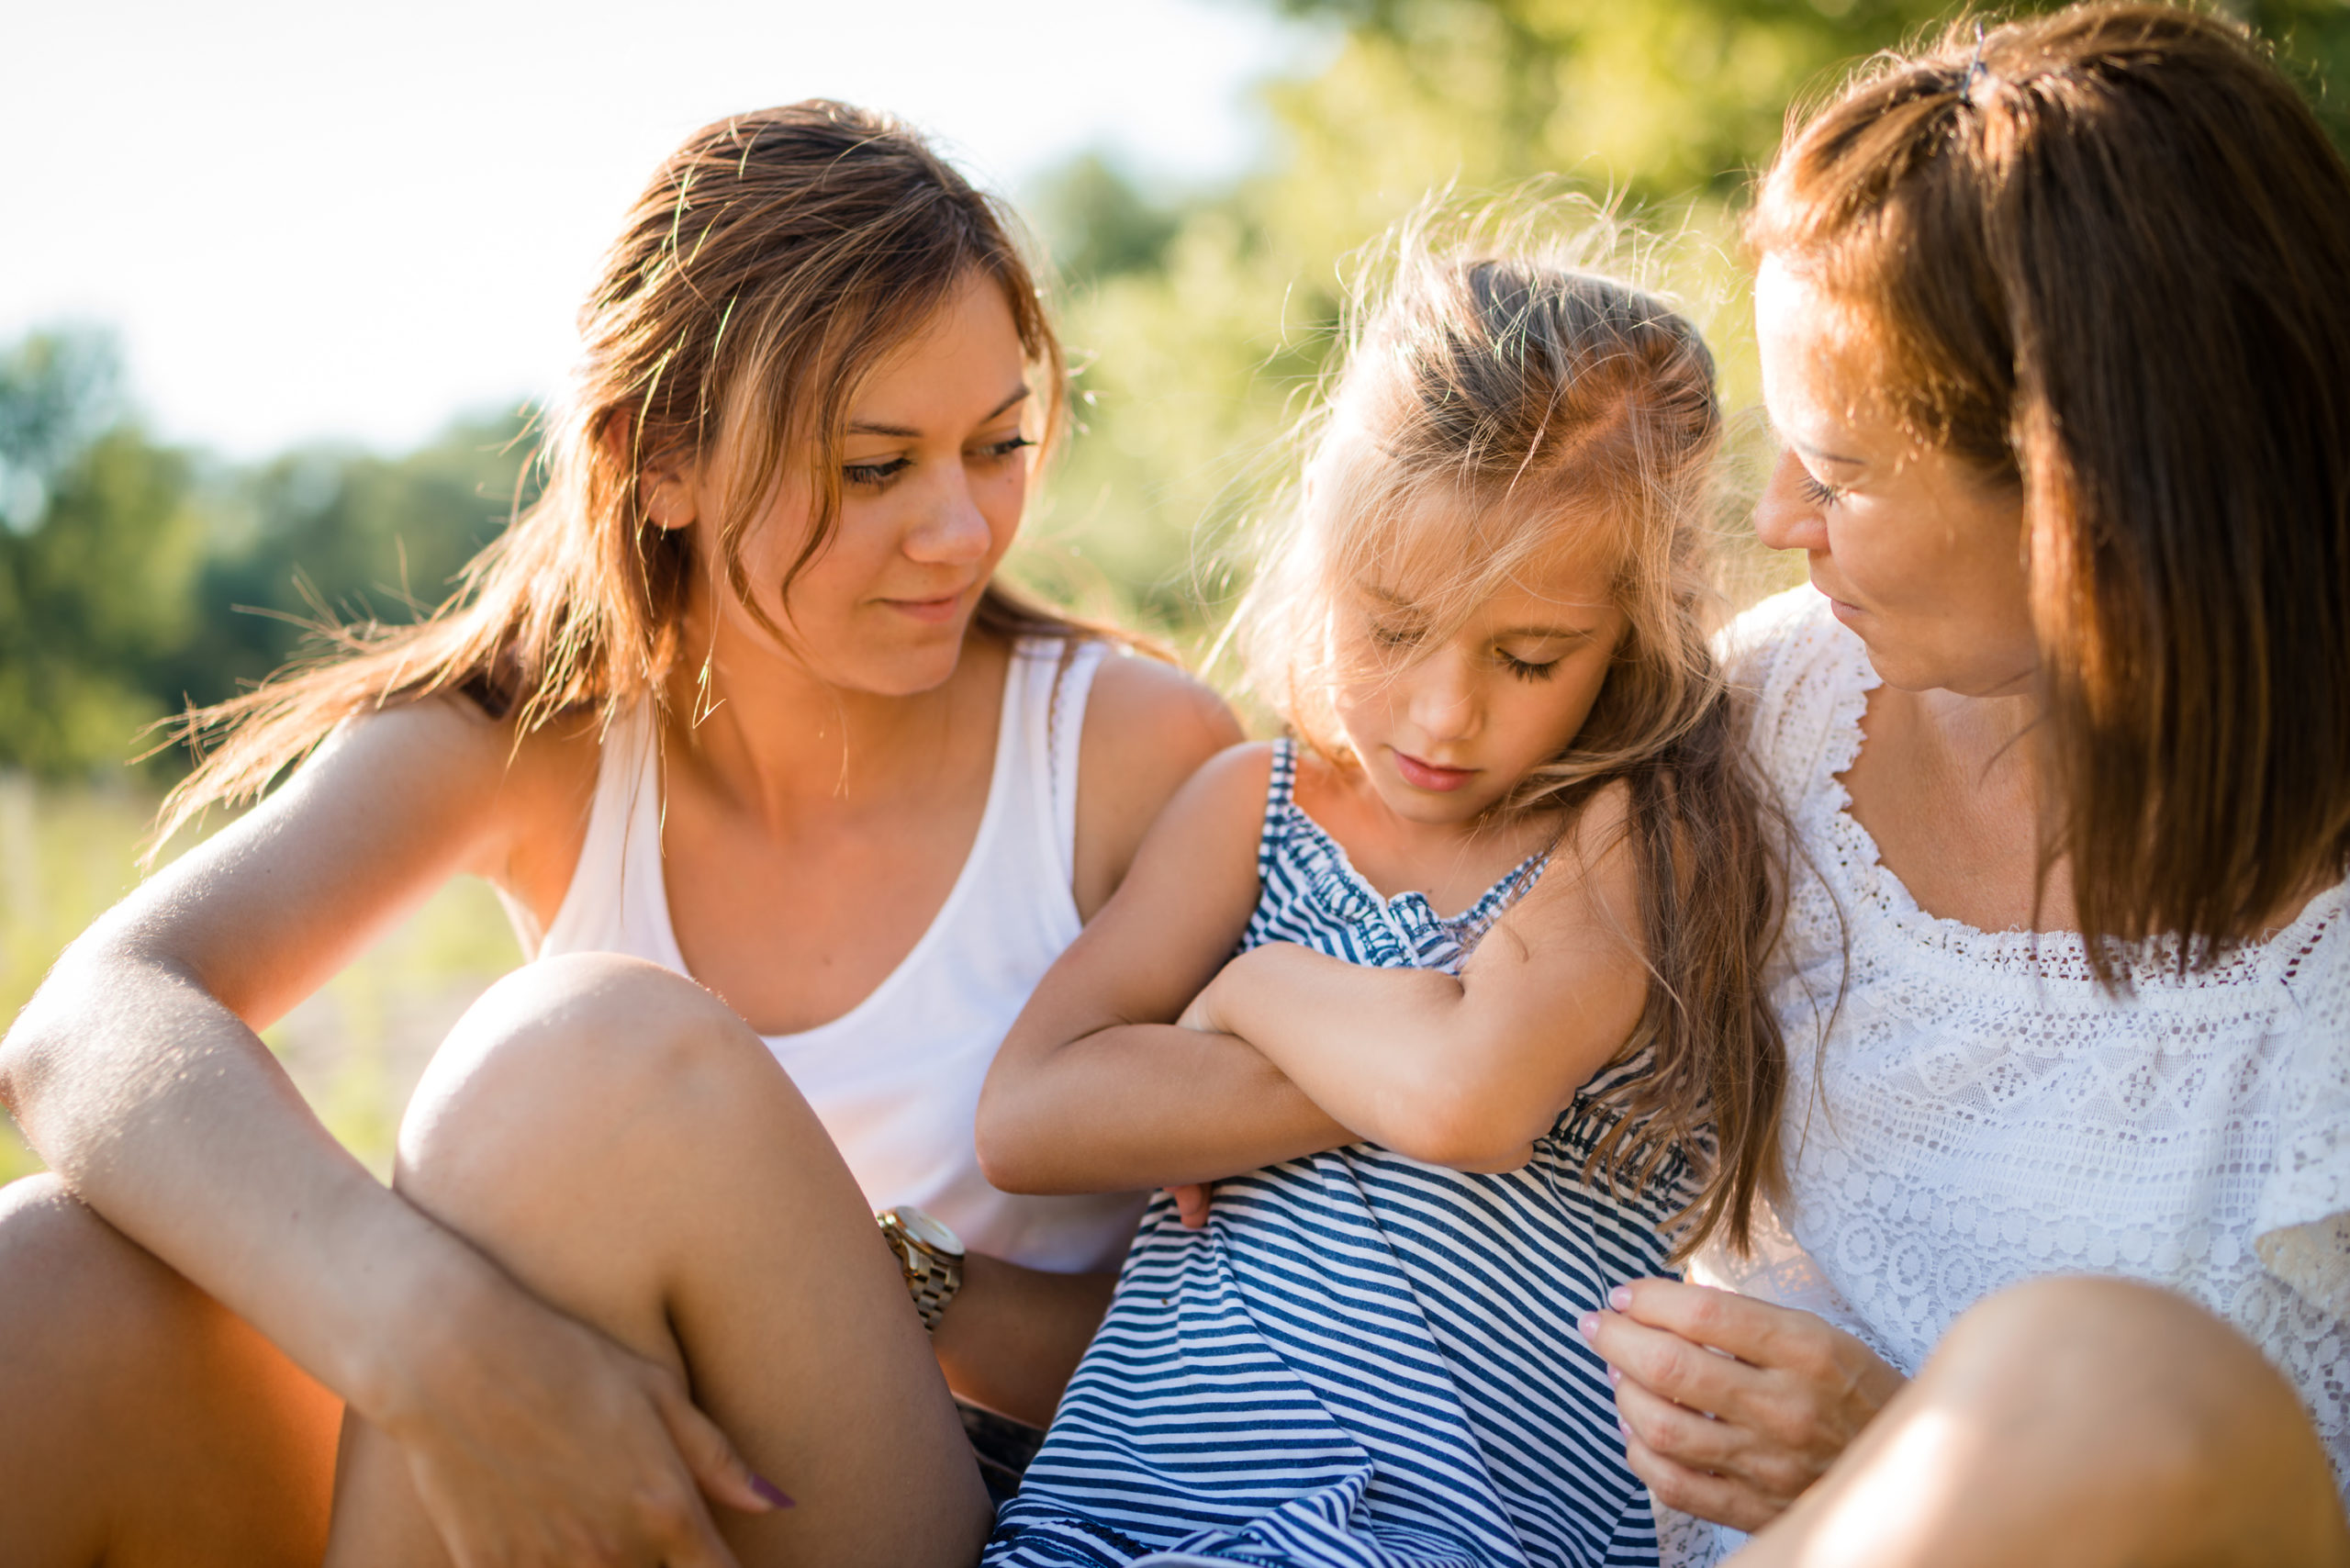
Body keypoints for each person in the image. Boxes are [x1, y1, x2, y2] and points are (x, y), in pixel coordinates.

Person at [0, 102, 1237, 1566]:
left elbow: (1274, 1332)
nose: (963, 529)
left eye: (999, 444)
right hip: (600, 1465)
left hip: (1002, 1503)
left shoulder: (1127, 752)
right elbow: (90, 1023)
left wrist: (858, 1281)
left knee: (585, 1071)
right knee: (49, 1284)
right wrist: (433, 1338)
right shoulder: (532, 739)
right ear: (661, 463)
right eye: (874, 465)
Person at [1568, 8, 2350, 1564]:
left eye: (1844, 474)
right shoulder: (1777, 710)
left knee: (2102, 1378)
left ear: (2096, 496)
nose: (1779, 518)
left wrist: (1903, 1449)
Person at [971, 241, 1790, 1566]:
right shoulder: (1256, 808)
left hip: (1469, 1532)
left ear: (1642, 623)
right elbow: (1028, 1116)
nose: (1442, 713)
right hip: (1146, 1516)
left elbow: (1472, 1100)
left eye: (1529, 657)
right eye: (1391, 629)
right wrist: (1372, 1044)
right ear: (1322, 565)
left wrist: (1249, 996)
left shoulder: (1632, 828)